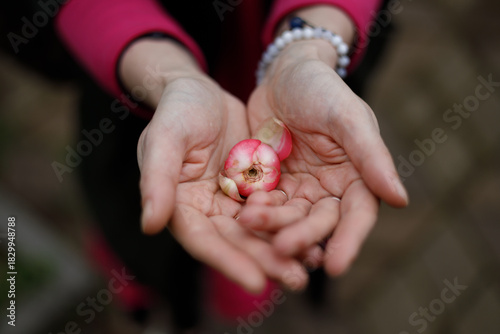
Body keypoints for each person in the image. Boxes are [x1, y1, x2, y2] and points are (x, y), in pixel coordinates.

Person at [55, 0, 408, 331]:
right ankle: (153, 296)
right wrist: (166, 73)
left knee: (273, 244)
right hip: (138, 99)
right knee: (143, 225)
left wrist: (310, 44)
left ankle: (210, 299)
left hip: (283, 75)